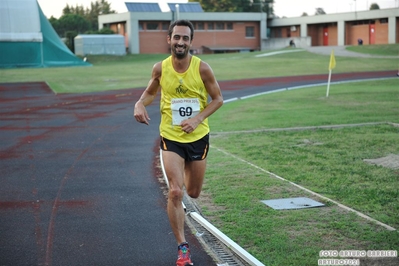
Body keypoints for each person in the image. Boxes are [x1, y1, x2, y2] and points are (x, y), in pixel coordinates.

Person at [133, 19, 223, 266]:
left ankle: (185, 172)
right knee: (175, 191)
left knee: (192, 192)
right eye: (177, 37)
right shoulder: (160, 68)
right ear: (169, 39)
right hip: (171, 137)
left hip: (197, 137)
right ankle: (183, 249)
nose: (180, 42)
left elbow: (218, 99)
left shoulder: (202, 68)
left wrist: (197, 119)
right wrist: (140, 102)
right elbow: (151, 92)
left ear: (191, 42)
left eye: (185, 38)